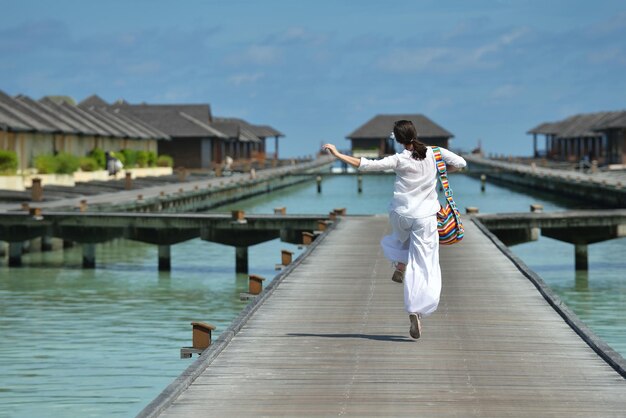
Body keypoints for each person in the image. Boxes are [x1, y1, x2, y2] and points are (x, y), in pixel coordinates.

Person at [322, 120, 466, 339]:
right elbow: (461, 163)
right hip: (426, 216)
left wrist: (337, 154)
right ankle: (415, 310)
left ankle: (400, 263)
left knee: (401, 239)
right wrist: (442, 170)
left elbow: (365, 164)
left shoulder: (399, 159)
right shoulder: (435, 153)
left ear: (398, 140)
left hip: (400, 214)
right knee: (424, 263)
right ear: (414, 134)